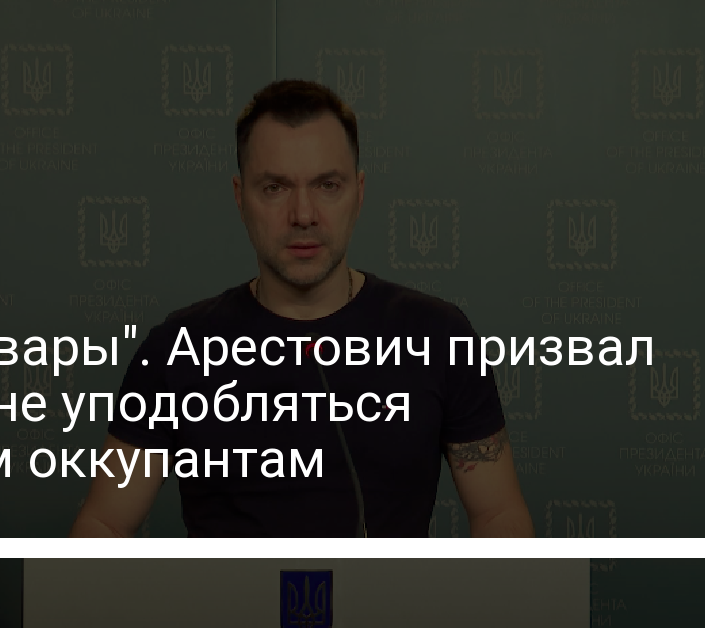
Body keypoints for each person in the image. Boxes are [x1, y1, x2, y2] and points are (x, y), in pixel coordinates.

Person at [70, 79, 533, 538]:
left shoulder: (439, 334)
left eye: (327, 185)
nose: (304, 215)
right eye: (275, 188)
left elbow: (498, 516)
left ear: (359, 192)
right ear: (240, 198)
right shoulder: (176, 348)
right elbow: (104, 523)